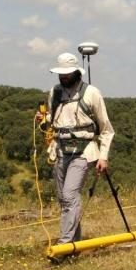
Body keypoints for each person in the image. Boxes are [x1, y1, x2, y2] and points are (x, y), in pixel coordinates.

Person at [35, 52, 114, 252]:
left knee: (70, 195)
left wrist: (103, 156)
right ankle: (75, 243)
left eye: (67, 74)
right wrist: (42, 120)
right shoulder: (55, 92)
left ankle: (64, 245)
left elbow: (106, 129)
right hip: (60, 150)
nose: (63, 77)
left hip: (84, 151)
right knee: (64, 199)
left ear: (77, 72)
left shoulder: (92, 93)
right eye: (61, 74)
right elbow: (52, 121)